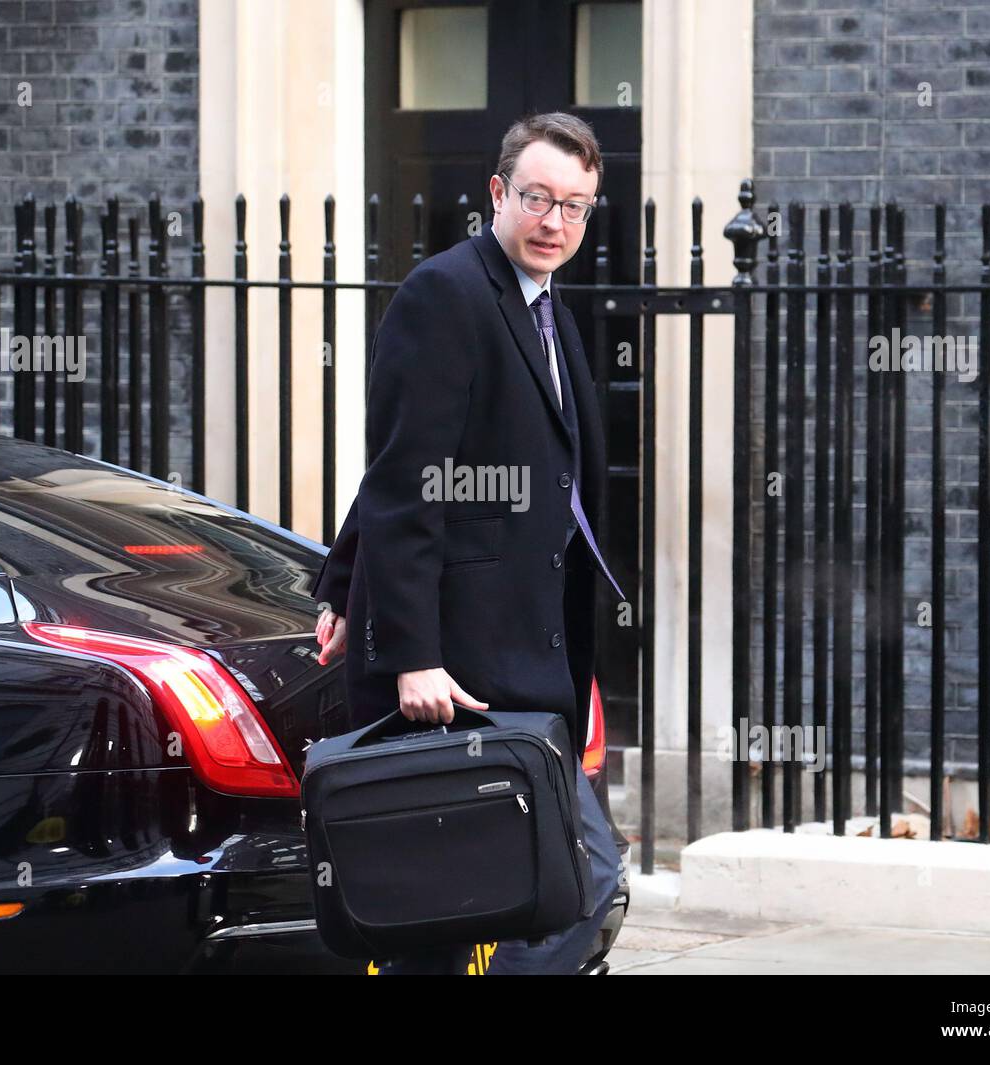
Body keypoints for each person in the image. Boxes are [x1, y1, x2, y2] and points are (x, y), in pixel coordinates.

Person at [309, 112, 625, 975]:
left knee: (531, 887)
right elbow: (410, 477)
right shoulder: (447, 294)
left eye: (576, 205)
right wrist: (410, 653)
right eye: (537, 198)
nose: (555, 221)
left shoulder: (543, 306)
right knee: (506, 894)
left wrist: (340, 580)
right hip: (457, 667)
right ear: (497, 194)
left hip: (521, 647)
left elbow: (405, 466)